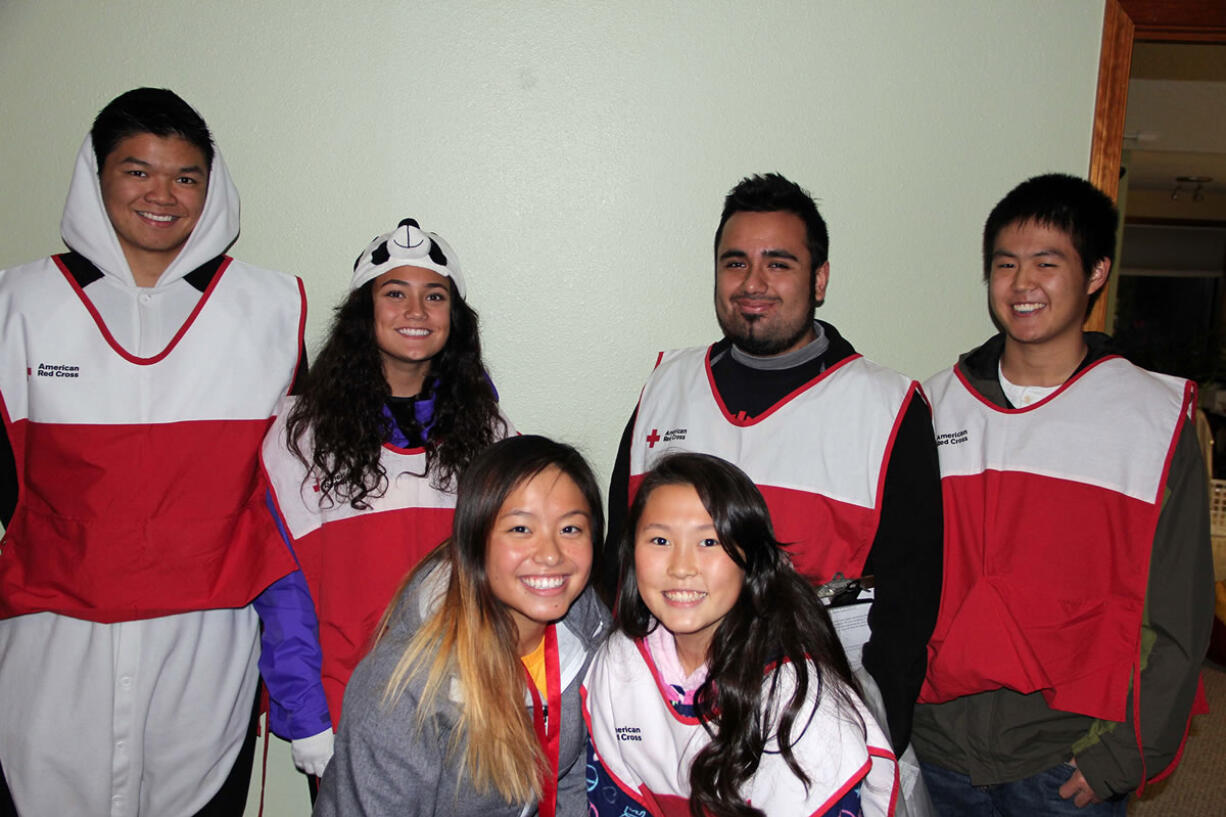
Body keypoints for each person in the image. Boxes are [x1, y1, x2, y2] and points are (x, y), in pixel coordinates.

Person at [0, 88, 309, 815]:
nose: (163, 195)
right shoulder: (17, 305)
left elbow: (306, 479)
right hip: (51, 637)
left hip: (209, 642)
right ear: (95, 175)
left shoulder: (271, 310)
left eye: (186, 176)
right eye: (137, 171)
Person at [607, 172, 942, 754]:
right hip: (664, 720)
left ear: (820, 279)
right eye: (735, 263)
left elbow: (909, 605)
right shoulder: (667, 385)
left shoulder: (887, 407)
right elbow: (620, 559)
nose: (752, 283)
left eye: (779, 264)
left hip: (811, 730)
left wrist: (873, 738)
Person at [912, 173, 1213, 814]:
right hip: (936, 749)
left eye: (1047, 264)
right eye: (1005, 265)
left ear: (1096, 271)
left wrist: (1126, 753)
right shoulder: (929, 406)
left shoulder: (1152, 420)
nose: (1023, 285)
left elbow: (1180, 615)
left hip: (1067, 762)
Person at [261, 218, 511, 775]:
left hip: (465, 714)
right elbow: (283, 589)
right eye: (394, 293)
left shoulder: (493, 435)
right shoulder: (298, 436)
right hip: (347, 711)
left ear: (456, 318)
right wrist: (307, 719)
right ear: (362, 312)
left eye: (434, 296)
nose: (416, 312)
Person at [585, 452, 897, 817]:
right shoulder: (619, 662)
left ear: (750, 560)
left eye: (709, 542)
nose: (681, 567)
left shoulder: (797, 699)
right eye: (659, 541)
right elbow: (611, 800)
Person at [314, 435, 608, 816]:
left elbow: (574, 777)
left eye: (570, 529)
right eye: (521, 529)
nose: (551, 554)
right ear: (474, 541)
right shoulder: (404, 685)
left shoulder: (592, 629)